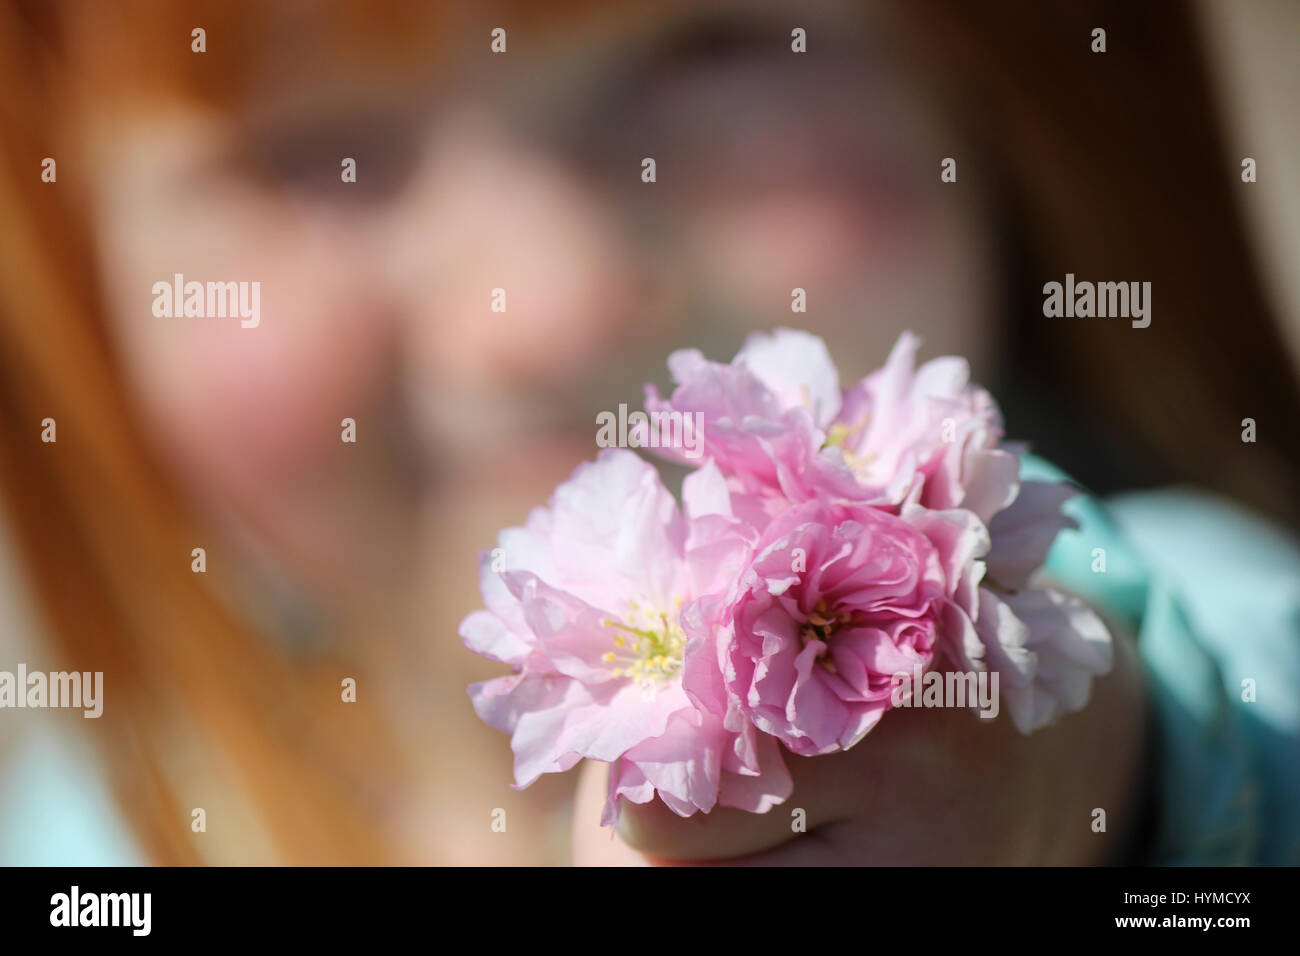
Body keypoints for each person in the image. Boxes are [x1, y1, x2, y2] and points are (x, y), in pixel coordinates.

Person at [0, 0, 1296, 865]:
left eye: (711, 48)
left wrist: (1078, 777)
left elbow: (1242, 682)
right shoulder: (94, 832)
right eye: (311, 153)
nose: (543, 311)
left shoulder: (1220, 618)